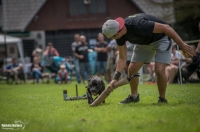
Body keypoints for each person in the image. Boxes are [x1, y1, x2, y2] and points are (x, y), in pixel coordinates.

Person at [102, 13, 195, 104]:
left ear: (117, 33)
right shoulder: (119, 35)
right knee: (132, 69)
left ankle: (162, 99)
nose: (113, 39)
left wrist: (181, 44)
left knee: (158, 69)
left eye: (112, 37)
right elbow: (122, 58)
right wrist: (115, 78)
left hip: (161, 39)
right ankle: (134, 97)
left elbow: (166, 28)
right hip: (144, 43)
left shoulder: (138, 24)